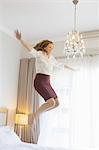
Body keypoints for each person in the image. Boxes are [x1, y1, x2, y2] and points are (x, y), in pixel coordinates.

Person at [15, 29, 74, 124]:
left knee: (57, 104)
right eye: (50, 47)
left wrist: (72, 69)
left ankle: (37, 114)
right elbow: (29, 48)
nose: (52, 49)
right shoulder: (39, 54)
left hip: (47, 82)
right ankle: (34, 115)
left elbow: (60, 65)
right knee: (51, 102)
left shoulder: (52, 58)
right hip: (40, 81)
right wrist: (20, 39)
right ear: (45, 47)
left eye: (52, 47)